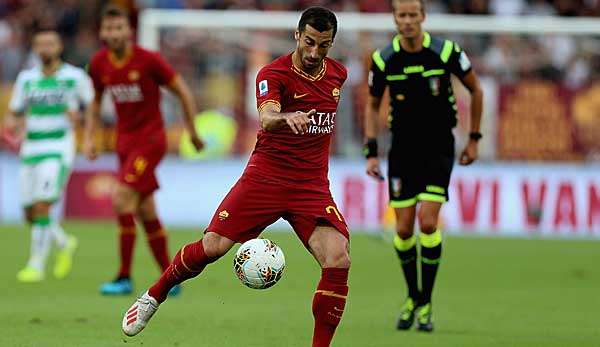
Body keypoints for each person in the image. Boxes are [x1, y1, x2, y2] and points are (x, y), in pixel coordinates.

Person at [121, 7, 350, 347]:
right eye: (310, 42)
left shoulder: (338, 75)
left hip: (311, 186)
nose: (315, 53)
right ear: (297, 35)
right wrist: (288, 118)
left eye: (324, 45)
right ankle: (154, 295)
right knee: (213, 247)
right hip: (265, 178)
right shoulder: (273, 74)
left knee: (338, 257)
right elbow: (267, 118)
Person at [364, 0, 484, 332]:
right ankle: (414, 297)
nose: (407, 21)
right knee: (403, 229)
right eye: (401, 15)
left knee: (428, 223)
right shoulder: (383, 59)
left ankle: (425, 302)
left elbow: (476, 89)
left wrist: (474, 138)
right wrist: (371, 151)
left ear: (422, 17)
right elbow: (373, 104)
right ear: (395, 19)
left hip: (438, 148)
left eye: (412, 15)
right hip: (402, 149)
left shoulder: (446, 52)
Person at [84, 5, 204, 296]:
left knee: (122, 199)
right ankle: (170, 278)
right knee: (146, 210)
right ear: (102, 32)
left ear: (129, 31)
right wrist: (91, 137)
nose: (113, 33)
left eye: (118, 28)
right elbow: (96, 101)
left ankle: (124, 277)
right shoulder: (99, 63)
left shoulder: (149, 60)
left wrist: (192, 130)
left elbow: (182, 90)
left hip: (150, 141)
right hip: (124, 143)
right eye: (108, 28)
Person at [4, 29, 92, 282]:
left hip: (58, 146)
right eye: (40, 44)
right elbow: (16, 112)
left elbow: (92, 112)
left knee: (43, 205)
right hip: (31, 147)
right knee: (30, 213)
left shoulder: (75, 77)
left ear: (59, 46)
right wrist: (12, 124)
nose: (45, 48)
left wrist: (83, 127)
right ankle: (64, 243)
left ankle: (36, 265)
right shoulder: (26, 79)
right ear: (34, 48)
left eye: (49, 43)